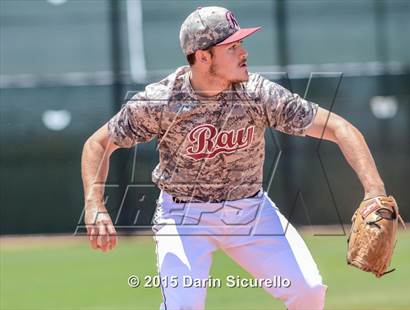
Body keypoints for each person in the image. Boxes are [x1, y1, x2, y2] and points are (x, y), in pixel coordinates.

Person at [81, 6, 387, 310]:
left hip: (250, 211)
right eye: (232, 46)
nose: (244, 52)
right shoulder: (163, 100)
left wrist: (374, 190)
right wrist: (95, 204)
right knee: (183, 306)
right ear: (203, 57)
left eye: (241, 43)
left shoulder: (258, 94)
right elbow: (97, 144)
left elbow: (338, 127)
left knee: (309, 292)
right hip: (184, 217)